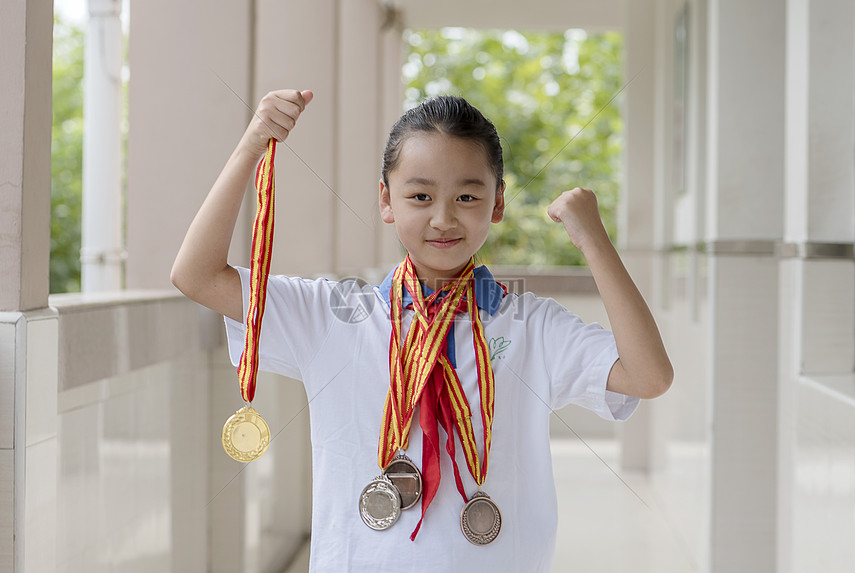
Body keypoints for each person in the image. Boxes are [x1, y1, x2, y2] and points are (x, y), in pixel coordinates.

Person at [171, 89, 673, 571]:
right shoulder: (333, 315)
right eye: (420, 195)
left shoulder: (532, 327)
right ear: (387, 201)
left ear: (497, 203)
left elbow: (649, 376)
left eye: (467, 196)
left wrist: (594, 242)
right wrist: (251, 145)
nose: (443, 218)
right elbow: (197, 276)